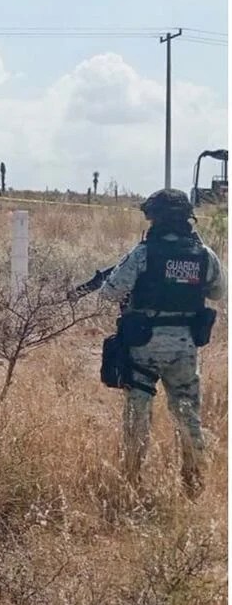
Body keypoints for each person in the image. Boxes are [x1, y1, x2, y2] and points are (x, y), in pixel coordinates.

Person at [99, 188, 224, 498]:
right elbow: (218, 293)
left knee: (137, 415)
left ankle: (131, 481)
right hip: (185, 347)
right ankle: (193, 483)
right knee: (187, 413)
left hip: (144, 344)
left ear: (154, 218)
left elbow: (110, 292)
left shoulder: (143, 253)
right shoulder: (204, 254)